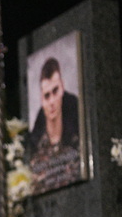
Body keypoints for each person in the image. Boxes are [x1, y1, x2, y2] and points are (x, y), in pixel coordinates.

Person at [27, 57, 81, 194]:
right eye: (46, 96)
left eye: (55, 91)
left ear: (62, 88)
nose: (52, 101)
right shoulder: (35, 148)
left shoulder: (79, 139)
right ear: (41, 99)